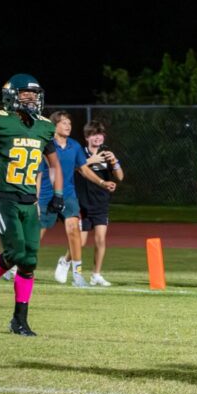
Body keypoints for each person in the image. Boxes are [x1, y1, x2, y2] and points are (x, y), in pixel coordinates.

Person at [0, 74, 64, 336]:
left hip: (29, 199)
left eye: (35, 93)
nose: (31, 98)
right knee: (17, 253)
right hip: (2, 196)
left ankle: (19, 320)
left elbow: (55, 163)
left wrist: (58, 193)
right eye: (25, 93)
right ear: (11, 95)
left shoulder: (44, 126)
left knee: (29, 260)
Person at [45, 111, 116, 287]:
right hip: (46, 193)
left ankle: (77, 275)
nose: (68, 126)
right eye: (64, 123)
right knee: (36, 234)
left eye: (69, 123)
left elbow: (83, 169)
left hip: (68, 193)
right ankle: (16, 265)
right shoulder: (45, 145)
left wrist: (102, 182)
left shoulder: (74, 146)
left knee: (74, 230)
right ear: (55, 126)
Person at [75, 120, 125, 286]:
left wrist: (115, 162)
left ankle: (96, 274)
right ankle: (67, 262)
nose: (97, 137)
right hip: (81, 203)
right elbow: (73, 168)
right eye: (93, 134)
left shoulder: (107, 153)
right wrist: (91, 160)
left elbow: (120, 177)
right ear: (87, 137)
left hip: (100, 203)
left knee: (100, 240)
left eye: (100, 134)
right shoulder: (80, 152)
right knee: (80, 242)